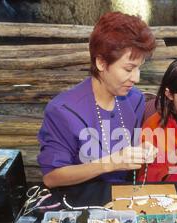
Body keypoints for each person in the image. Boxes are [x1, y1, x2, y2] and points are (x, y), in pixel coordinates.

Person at [37, 12, 157, 188]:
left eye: (139, 68)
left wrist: (143, 149)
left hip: (125, 200)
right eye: (128, 68)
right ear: (101, 62)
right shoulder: (63, 110)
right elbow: (52, 177)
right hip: (81, 204)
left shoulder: (135, 100)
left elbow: (130, 145)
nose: (136, 78)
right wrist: (110, 163)